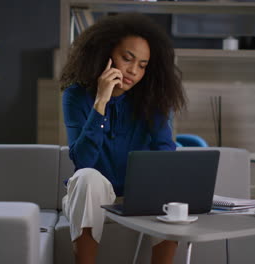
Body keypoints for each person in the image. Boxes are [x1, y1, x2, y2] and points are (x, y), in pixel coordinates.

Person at [59, 13, 186, 264]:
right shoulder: (76, 96)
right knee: (87, 177)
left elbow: (164, 151)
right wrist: (101, 102)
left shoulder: (154, 96)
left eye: (142, 65)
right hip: (93, 192)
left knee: (168, 178)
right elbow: (83, 161)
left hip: (139, 193)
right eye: (127, 59)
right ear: (105, 53)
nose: (133, 71)